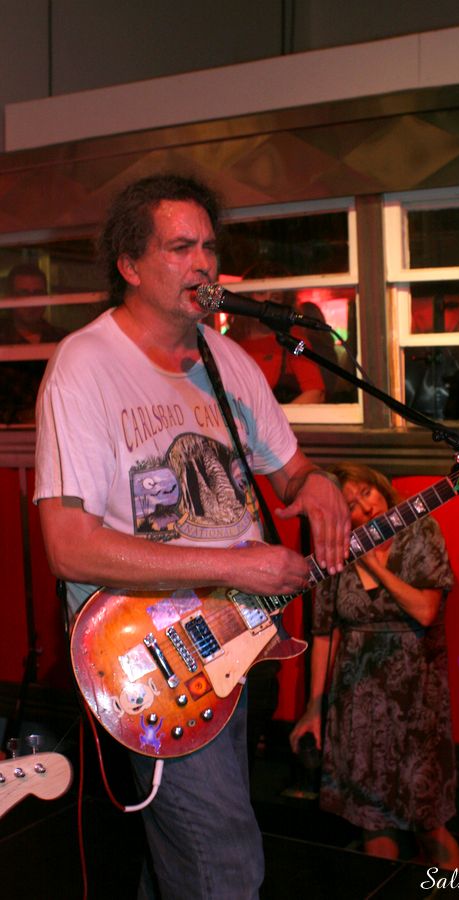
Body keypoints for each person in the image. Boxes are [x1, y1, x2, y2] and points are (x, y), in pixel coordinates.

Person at [33, 173, 351, 900]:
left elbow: (290, 472)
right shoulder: (85, 367)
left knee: (182, 855)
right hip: (152, 658)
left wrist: (316, 485)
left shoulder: (226, 360)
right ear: (129, 264)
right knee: (223, 864)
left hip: (235, 641)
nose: (203, 263)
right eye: (180, 248)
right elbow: (68, 546)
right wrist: (236, 568)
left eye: (209, 247)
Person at [290, 463, 459, 871]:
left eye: (366, 492)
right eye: (351, 504)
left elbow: (425, 611)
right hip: (357, 706)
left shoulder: (420, 532)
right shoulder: (333, 549)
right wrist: (315, 706)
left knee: (429, 826)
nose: (366, 508)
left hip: (415, 706)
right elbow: (324, 632)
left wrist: (372, 565)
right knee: (373, 823)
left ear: (381, 486)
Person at [226, 263, 325, 404]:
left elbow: (315, 393)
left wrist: (276, 417)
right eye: (261, 293)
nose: (267, 301)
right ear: (246, 298)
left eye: (276, 297)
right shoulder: (230, 339)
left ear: (284, 304)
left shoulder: (292, 339)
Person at [0, 263, 67, 423]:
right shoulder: (2, 339)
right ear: (10, 297)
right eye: (23, 294)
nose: (31, 301)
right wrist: (21, 415)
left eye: (38, 293)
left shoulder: (61, 339)